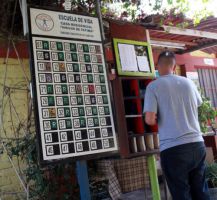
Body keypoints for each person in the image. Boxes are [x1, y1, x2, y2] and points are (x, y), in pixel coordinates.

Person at [144, 51, 210, 200]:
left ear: (157, 66)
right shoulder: (188, 82)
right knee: (201, 191)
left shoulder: (153, 86)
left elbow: (149, 120)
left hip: (173, 148)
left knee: (181, 194)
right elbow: (198, 104)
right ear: (174, 66)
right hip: (197, 144)